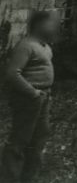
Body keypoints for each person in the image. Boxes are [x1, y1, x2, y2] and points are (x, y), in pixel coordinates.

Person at [1, 10, 58, 183]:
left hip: (43, 98)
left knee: (39, 138)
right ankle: (9, 178)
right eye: (51, 23)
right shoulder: (26, 45)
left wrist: (45, 94)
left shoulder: (45, 46)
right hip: (28, 99)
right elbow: (12, 74)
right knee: (20, 140)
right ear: (38, 25)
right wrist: (32, 93)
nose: (55, 27)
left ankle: (28, 178)